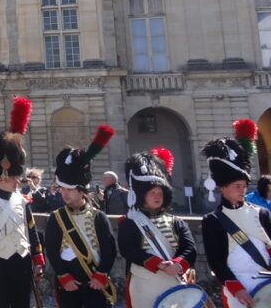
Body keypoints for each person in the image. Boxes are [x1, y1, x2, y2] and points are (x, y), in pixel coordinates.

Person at [0, 97, 45, 308]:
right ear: (3, 175)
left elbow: (31, 232)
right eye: (14, 178)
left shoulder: (23, 201)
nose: (17, 182)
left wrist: (38, 260)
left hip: (22, 262)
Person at [201, 119, 271, 308]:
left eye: (244, 186)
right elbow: (216, 261)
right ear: (223, 188)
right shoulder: (212, 220)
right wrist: (236, 288)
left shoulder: (262, 213)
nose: (242, 190)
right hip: (237, 284)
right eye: (237, 186)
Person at [46, 125, 118, 308]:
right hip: (69, 283)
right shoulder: (56, 217)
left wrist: (101, 275)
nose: (65, 194)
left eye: (69, 190)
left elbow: (109, 249)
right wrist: (64, 276)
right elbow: (53, 251)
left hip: (95, 280)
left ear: (81, 191)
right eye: (62, 189)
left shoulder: (98, 216)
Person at [119, 147, 197, 308]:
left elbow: (190, 248)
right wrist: (158, 263)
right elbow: (128, 250)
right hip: (144, 283)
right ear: (142, 195)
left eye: (160, 192)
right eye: (152, 192)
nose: (157, 196)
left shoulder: (176, 221)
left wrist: (178, 263)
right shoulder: (130, 222)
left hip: (175, 279)